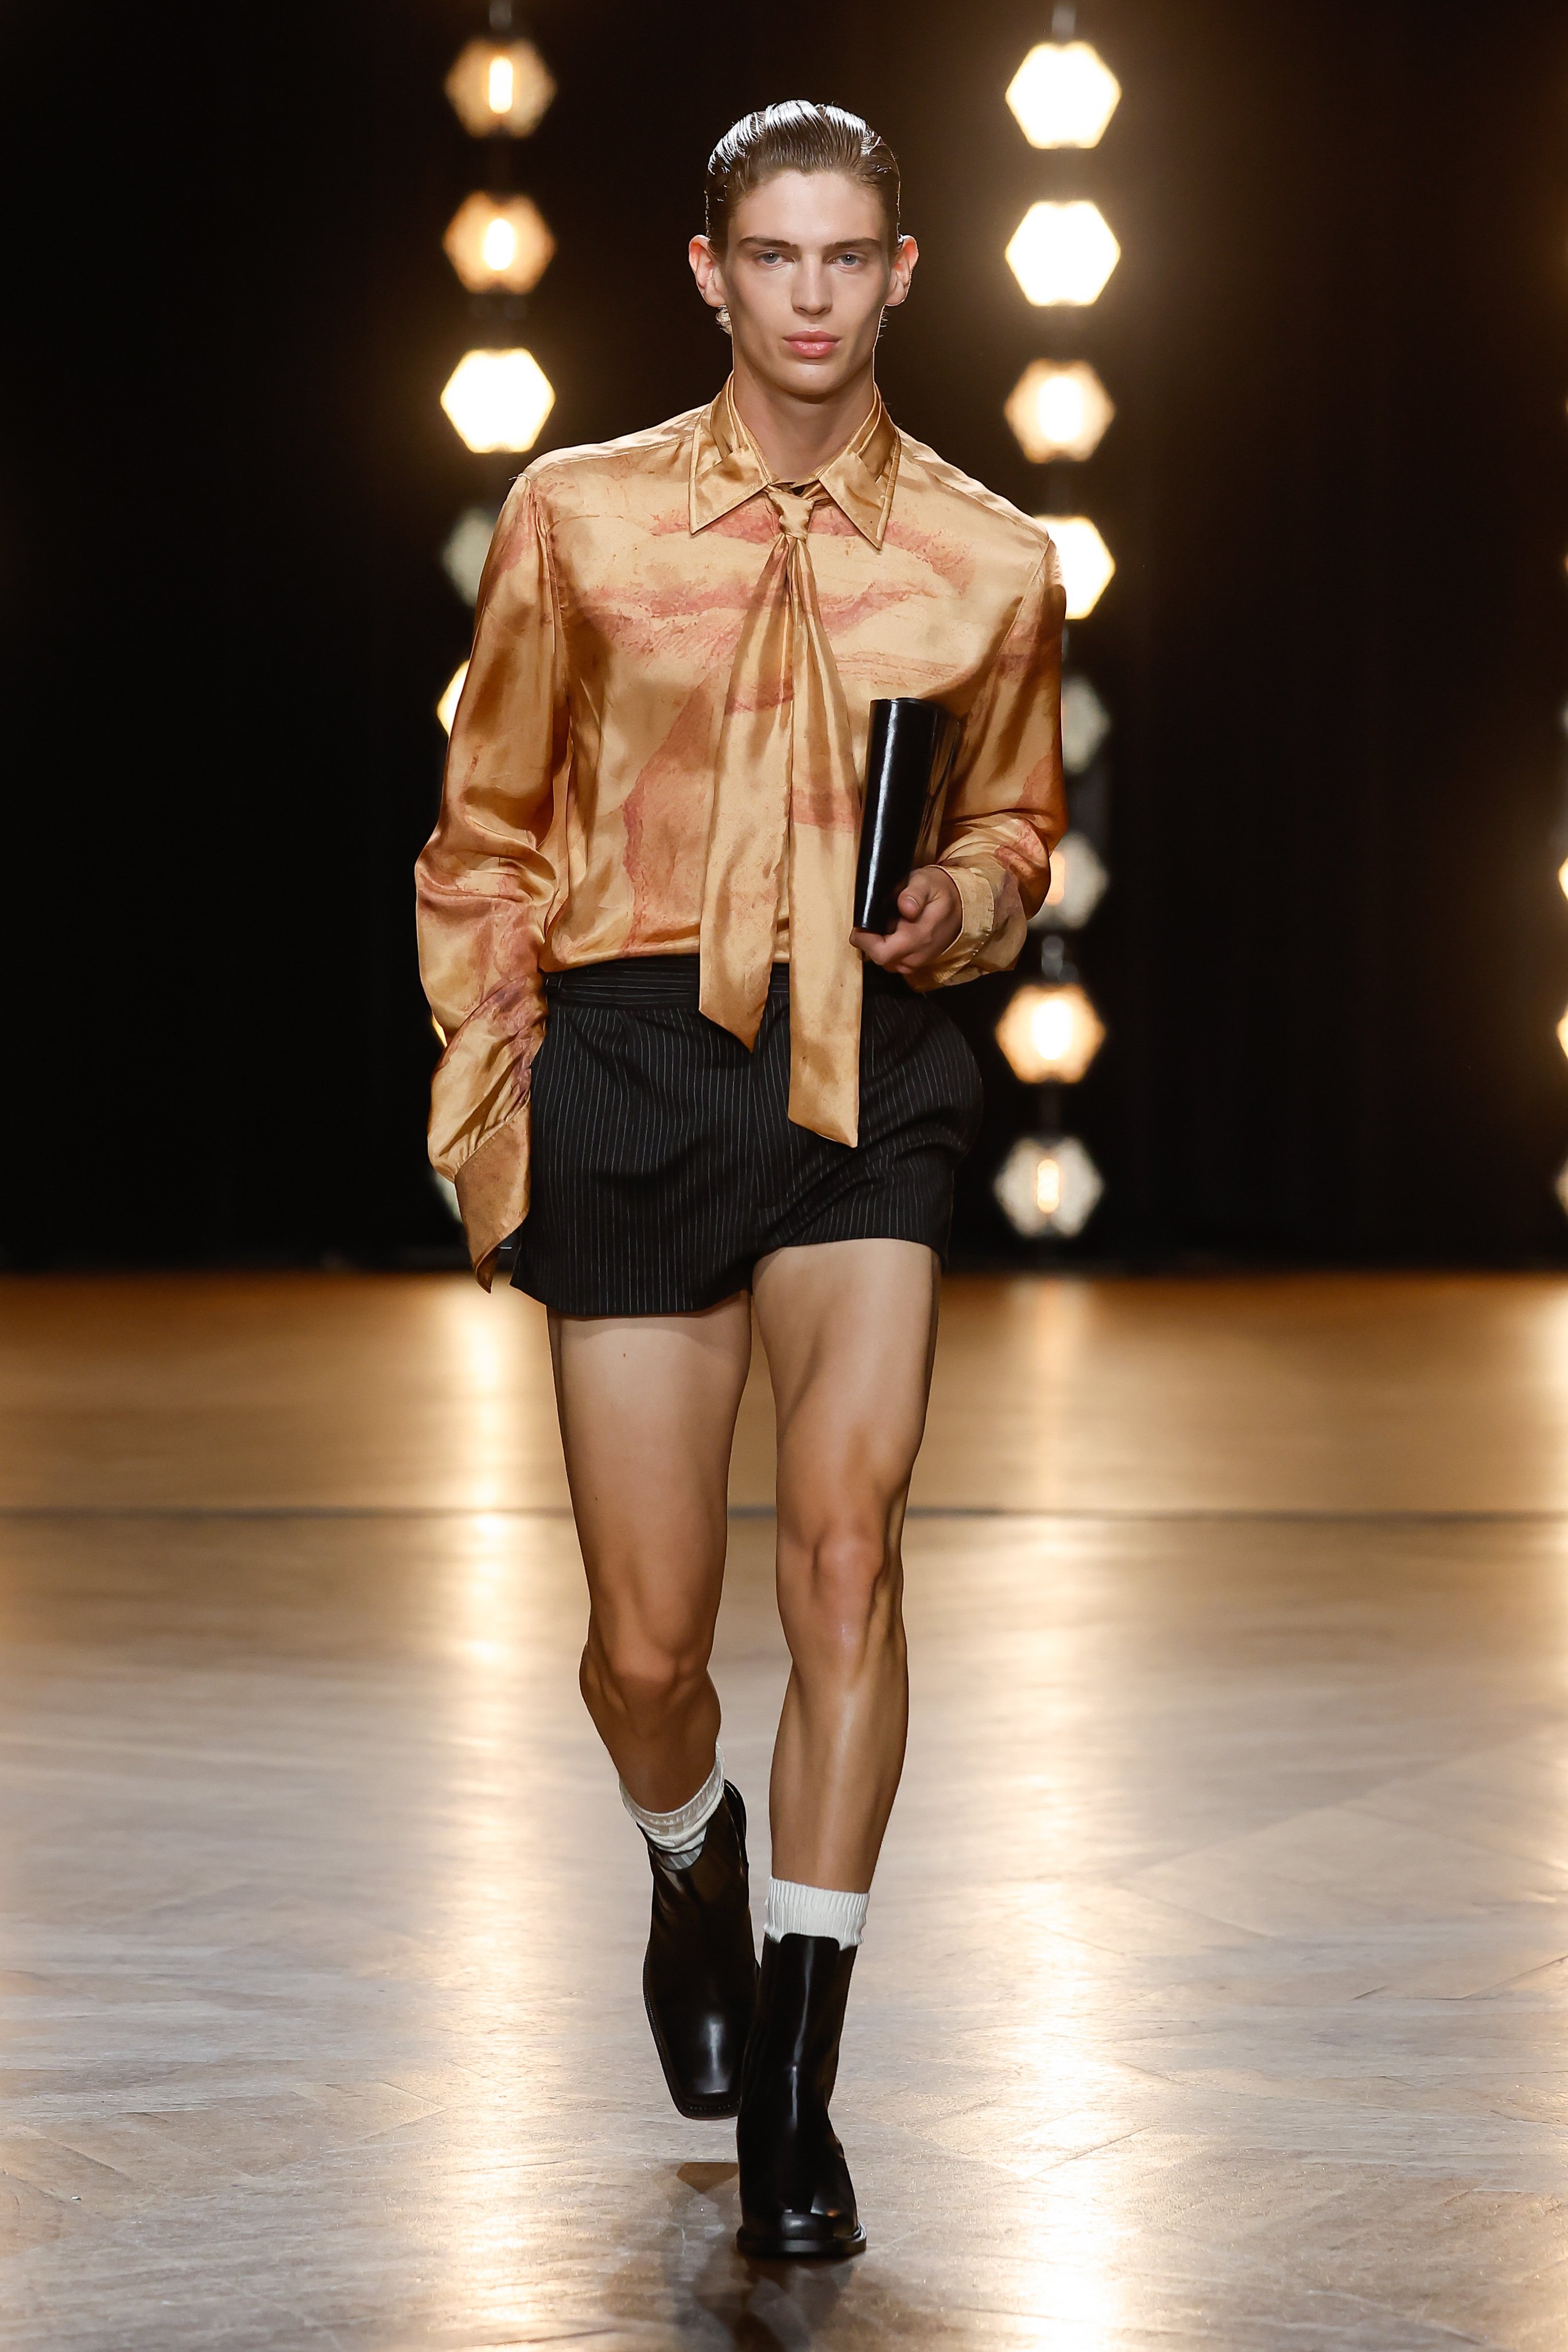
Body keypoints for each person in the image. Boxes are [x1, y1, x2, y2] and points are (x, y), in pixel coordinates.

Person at [416, 100, 1065, 2260]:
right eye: (770, 255)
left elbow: (1014, 825)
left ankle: (795, 2076)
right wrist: (501, 1085)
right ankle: (688, 1846)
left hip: (869, 1066)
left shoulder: (988, 556)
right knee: (643, 1646)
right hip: (628, 1055)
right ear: (709, 272)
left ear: (902, 271)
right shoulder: (575, 514)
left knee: (849, 1556)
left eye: (844, 254)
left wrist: (962, 906)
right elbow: (487, 826)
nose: (808, 293)